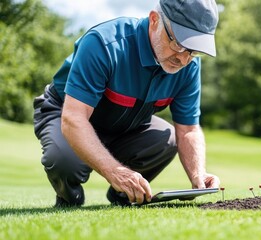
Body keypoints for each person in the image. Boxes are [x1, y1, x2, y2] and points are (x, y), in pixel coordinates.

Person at [33, 0, 220, 207]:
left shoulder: (189, 65)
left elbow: (188, 130)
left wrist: (198, 175)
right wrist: (115, 171)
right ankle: (69, 200)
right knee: (64, 160)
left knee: (169, 139)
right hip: (65, 111)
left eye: (193, 50)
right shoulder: (104, 43)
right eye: (178, 43)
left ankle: (127, 195)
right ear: (154, 20)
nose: (183, 59)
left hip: (128, 123)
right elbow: (74, 118)